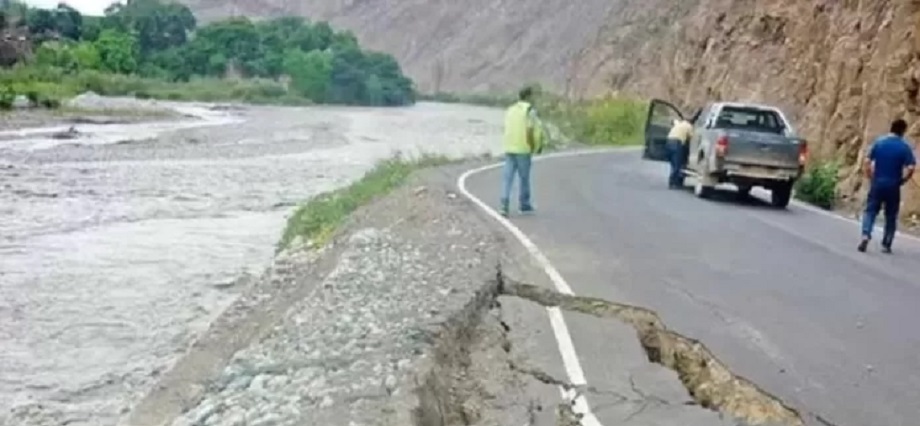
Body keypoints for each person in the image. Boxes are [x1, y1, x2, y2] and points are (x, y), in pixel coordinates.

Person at [858, 118, 916, 253]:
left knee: (870, 211)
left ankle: (866, 234)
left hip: (877, 182)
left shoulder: (879, 142)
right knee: (890, 215)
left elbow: (867, 161)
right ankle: (886, 243)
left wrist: (870, 176)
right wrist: (904, 179)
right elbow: (911, 167)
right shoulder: (904, 147)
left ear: (891, 128)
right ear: (903, 131)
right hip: (893, 185)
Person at [500, 86, 544, 217]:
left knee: (507, 178)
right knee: (524, 178)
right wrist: (532, 146)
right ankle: (524, 205)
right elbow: (530, 130)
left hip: (509, 147)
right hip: (523, 149)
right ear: (529, 96)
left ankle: (504, 205)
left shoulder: (510, 109)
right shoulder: (529, 110)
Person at [666, 117, 693, 188]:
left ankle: (673, 181)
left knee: (673, 163)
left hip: (668, 142)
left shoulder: (678, 124)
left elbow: (673, 120)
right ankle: (673, 182)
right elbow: (691, 137)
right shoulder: (688, 126)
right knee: (677, 164)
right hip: (677, 143)